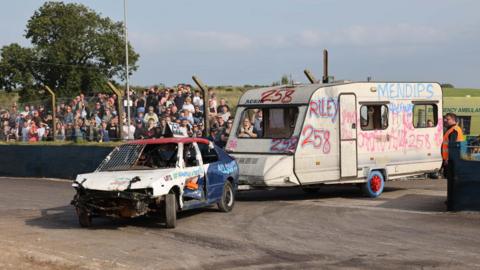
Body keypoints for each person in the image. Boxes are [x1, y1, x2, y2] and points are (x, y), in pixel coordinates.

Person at [442, 113, 465, 210]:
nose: (445, 120)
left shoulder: (454, 130)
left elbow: (453, 146)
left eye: (448, 119)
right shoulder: (451, 130)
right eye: (445, 119)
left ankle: (451, 203)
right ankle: (451, 201)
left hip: (452, 161)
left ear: (454, 120)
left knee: (452, 183)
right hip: (451, 160)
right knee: (451, 182)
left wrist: (447, 159)